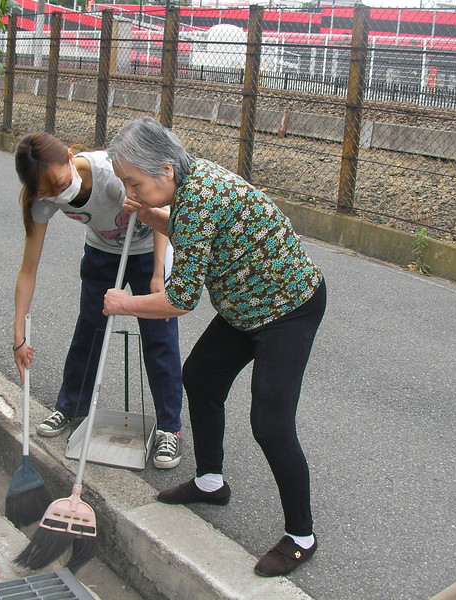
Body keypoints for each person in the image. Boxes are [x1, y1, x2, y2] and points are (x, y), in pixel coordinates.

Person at [103, 117, 327, 577]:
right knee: (201, 379)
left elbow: (179, 300)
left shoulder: (201, 196)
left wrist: (125, 304)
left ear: (165, 169)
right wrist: (147, 213)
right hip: (246, 302)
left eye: (135, 182)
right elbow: (193, 233)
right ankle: (210, 481)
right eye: (126, 182)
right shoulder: (188, 185)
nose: (131, 190)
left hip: (288, 307)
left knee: (271, 422)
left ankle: (302, 535)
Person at [12, 131, 184, 469]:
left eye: (60, 184)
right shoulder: (41, 198)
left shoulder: (111, 174)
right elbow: (28, 268)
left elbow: (161, 205)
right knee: (89, 330)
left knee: (159, 337)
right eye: (48, 192)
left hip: (149, 248)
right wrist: (18, 335)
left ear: (69, 157)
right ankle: (71, 406)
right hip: (103, 253)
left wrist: (157, 275)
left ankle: (169, 428)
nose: (58, 195)